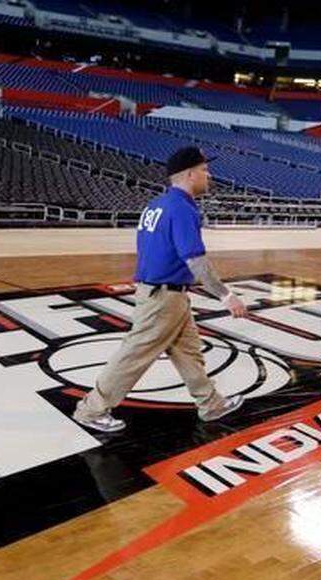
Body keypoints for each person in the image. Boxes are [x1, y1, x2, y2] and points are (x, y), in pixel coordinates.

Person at [72, 146, 247, 433]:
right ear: (190, 174)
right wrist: (226, 295)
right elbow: (196, 260)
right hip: (163, 298)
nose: (208, 175)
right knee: (133, 355)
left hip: (163, 292)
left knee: (189, 352)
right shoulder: (182, 209)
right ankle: (91, 410)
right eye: (204, 170)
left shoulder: (157, 205)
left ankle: (211, 403)